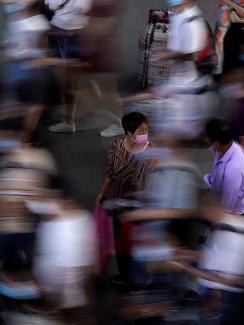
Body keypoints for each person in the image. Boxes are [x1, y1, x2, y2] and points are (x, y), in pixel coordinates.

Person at [116, 0, 216, 140]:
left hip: (189, 84)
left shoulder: (191, 21)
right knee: (156, 98)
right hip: (179, 80)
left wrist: (168, 55)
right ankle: (119, 107)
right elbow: (174, 40)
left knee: (169, 131)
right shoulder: (177, 15)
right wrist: (163, 49)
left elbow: (193, 54)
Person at [97, 112, 156, 283]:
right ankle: (124, 275)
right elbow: (109, 173)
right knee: (119, 242)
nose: (146, 133)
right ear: (129, 133)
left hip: (140, 206)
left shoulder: (151, 152)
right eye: (141, 130)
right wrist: (103, 192)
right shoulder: (115, 146)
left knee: (138, 243)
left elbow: (152, 182)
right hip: (117, 202)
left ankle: (140, 276)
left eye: (147, 129)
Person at [46, 0, 94, 133]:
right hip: (72, 35)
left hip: (64, 35)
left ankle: (69, 121)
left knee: (67, 81)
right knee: (69, 75)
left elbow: (50, 5)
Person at [204, 118, 244, 215]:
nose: (205, 139)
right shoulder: (223, 147)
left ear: (217, 142)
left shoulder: (233, 169)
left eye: (207, 137)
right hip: (217, 195)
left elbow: (228, 208)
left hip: (232, 214)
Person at [214, 0, 244, 76]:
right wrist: (237, 7)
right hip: (227, 14)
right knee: (222, 46)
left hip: (237, 19)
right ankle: (219, 73)